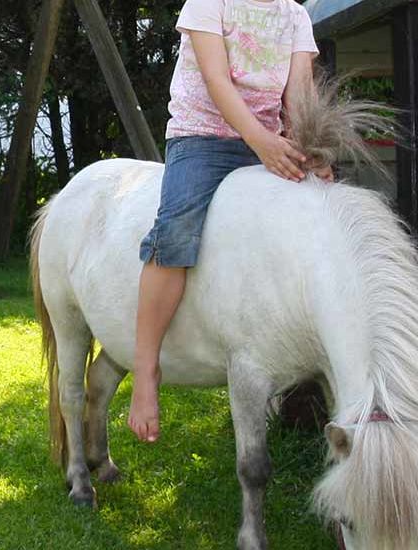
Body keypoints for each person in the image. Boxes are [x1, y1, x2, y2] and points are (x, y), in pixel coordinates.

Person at [130, 0, 323, 443]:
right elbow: (216, 79)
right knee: (175, 231)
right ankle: (145, 371)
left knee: (318, 219)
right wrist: (260, 142)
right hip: (202, 139)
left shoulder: (295, 15)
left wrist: (309, 148)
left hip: (270, 142)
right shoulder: (207, 3)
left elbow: (300, 97)